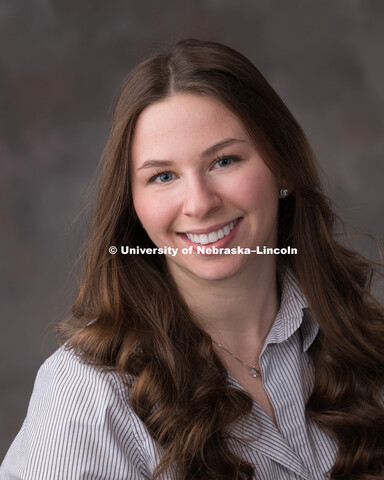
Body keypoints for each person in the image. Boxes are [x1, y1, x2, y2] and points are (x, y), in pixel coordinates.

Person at [1, 39, 383, 480]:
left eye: (224, 160)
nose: (199, 204)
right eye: (163, 176)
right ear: (134, 206)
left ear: (282, 169)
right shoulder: (90, 395)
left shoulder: (363, 341)